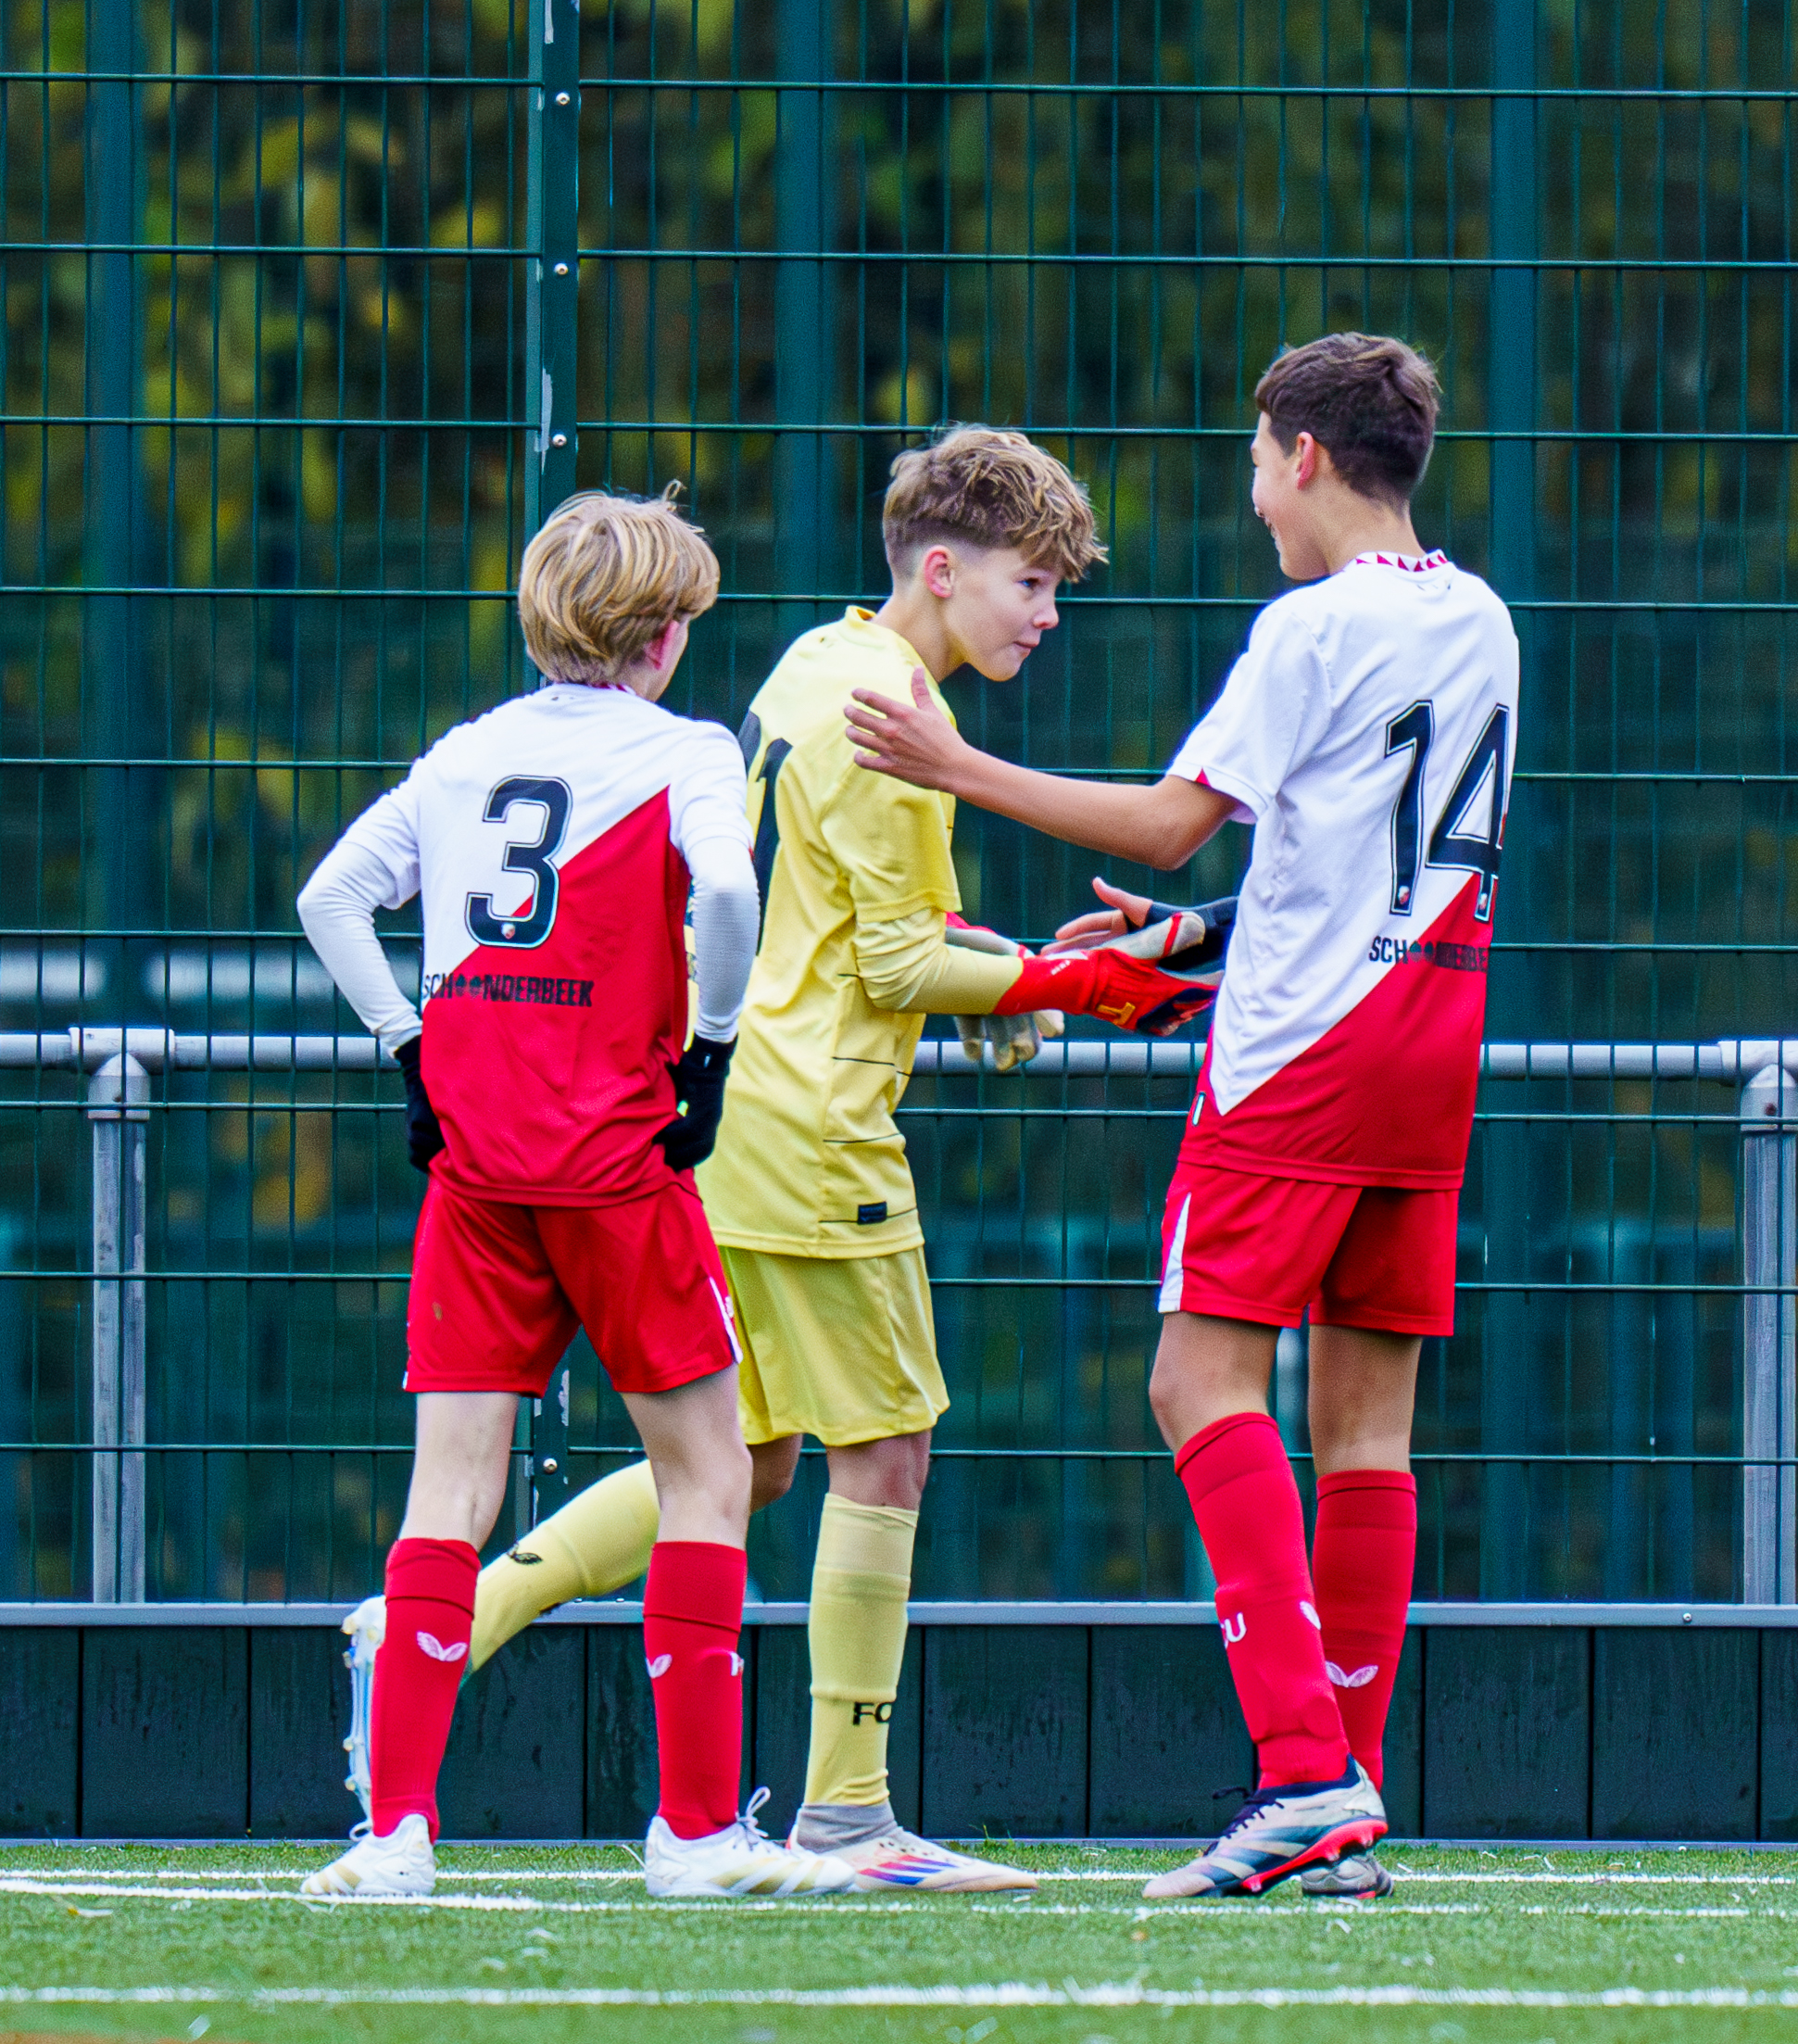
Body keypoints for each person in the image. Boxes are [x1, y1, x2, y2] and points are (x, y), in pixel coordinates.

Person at [329, 431, 1213, 1894]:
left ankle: (442, 1624)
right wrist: (1075, 986)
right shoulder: (898, 720)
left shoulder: (816, 665)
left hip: (707, 1121)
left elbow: (822, 921)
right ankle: (842, 1815)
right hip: (804, 1131)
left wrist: (1014, 969)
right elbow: (883, 951)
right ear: (945, 568)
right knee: (878, 1447)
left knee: (747, 1452)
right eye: (1033, 582)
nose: (1046, 614)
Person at [843, 334, 1514, 1901]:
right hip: (1430, 1041)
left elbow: (1168, 817)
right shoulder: (1476, 613)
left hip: (1298, 1061)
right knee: (1366, 1429)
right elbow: (1370, 852)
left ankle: (1296, 1771)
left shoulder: (1308, 623)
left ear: (1299, 454)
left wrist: (959, 761)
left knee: (1195, 1379)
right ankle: (1339, 1799)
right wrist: (1197, 936)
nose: (1249, 490)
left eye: (1252, 456)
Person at [294, 487, 852, 1899]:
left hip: (479, 1169)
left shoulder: (463, 754)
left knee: (448, 1494)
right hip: (618, 1166)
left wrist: (407, 1047)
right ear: (666, 638)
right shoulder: (682, 752)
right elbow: (726, 898)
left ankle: (399, 1834)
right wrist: (712, 1050)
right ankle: (696, 1830)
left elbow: (330, 899)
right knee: (710, 1475)